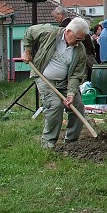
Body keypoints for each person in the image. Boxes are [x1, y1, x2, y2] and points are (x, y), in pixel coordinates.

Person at [21, 18, 89, 149]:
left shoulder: (80, 50)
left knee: (78, 106)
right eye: (77, 39)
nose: (78, 43)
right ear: (68, 31)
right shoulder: (49, 33)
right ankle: (48, 143)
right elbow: (30, 32)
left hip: (65, 82)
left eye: (81, 40)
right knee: (55, 105)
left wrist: (70, 93)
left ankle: (71, 142)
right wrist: (27, 51)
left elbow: (76, 75)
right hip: (44, 78)